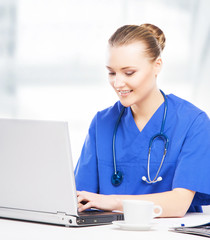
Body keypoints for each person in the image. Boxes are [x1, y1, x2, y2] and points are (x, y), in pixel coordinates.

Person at [74, 23, 210, 218]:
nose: (118, 83)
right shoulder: (102, 123)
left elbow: (179, 203)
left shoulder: (193, 123)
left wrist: (114, 201)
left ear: (157, 66)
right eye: (111, 72)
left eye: (129, 73)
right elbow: (81, 197)